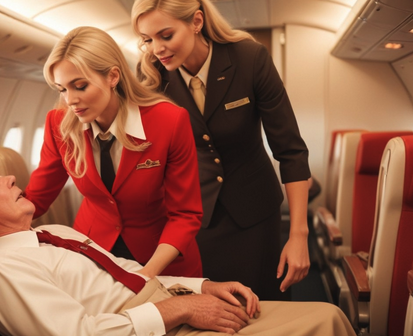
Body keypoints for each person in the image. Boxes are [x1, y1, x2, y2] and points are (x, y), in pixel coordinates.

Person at [0, 162, 357, 336]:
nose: (6, 178)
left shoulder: (57, 232)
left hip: (169, 308)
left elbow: (132, 274)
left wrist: (202, 286)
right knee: (324, 319)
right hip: (160, 327)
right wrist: (180, 311)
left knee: (330, 316)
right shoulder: (5, 272)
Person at [132, 0, 311, 299]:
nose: (156, 49)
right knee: (212, 312)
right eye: (147, 40)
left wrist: (298, 234)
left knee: (264, 307)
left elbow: (291, 150)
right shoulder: (151, 77)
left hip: (255, 212)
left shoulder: (249, 58)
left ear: (196, 22)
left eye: (166, 36)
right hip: (195, 219)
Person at [24, 26, 203, 278]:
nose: (70, 100)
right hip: (94, 253)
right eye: (62, 89)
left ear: (113, 77)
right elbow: (37, 198)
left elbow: (185, 215)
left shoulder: (168, 122)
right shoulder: (59, 124)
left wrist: (146, 274)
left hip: (161, 257)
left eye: (80, 86)